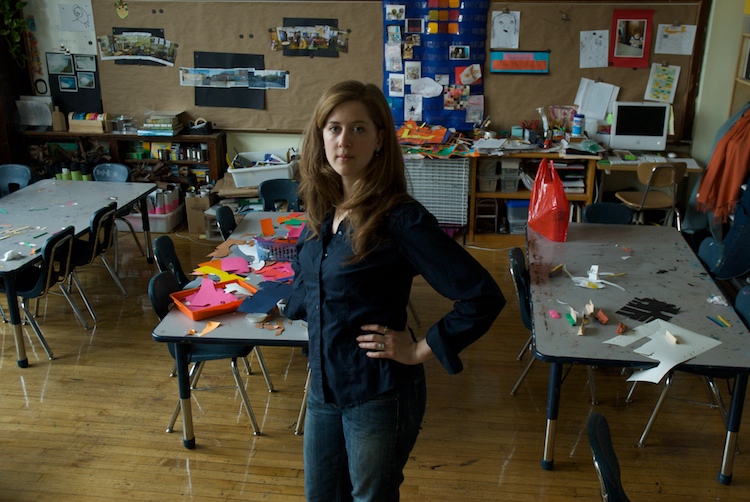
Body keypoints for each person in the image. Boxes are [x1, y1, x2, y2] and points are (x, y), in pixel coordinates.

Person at [284, 80, 505, 501]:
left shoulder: (399, 218)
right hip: (324, 388)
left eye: (358, 129)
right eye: (333, 128)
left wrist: (419, 349)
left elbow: (481, 296)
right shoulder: (322, 208)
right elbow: (307, 276)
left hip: (378, 394)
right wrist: (284, 303)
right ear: (320, 136)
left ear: (380, 139)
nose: (344, 140)